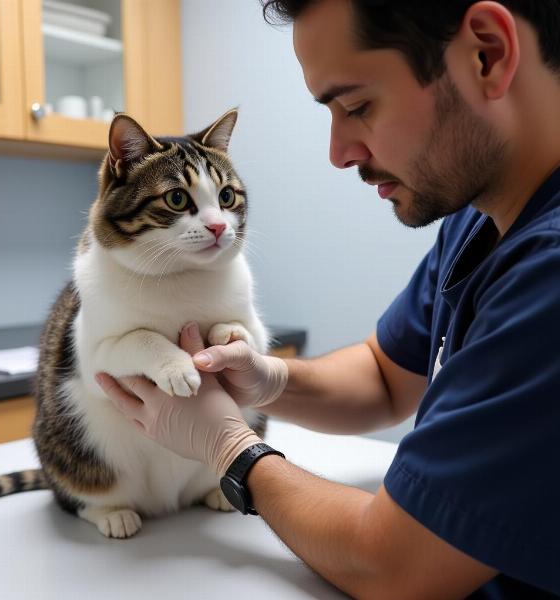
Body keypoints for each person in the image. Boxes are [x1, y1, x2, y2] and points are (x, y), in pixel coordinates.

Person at [95, 0, 560, 597]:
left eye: (358, 106)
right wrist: (265, 380)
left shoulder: (548, 270)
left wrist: (231, 449)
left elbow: (394, 567)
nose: (339, 153)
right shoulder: (480, 220)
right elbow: (386, 376)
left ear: (486, 55)